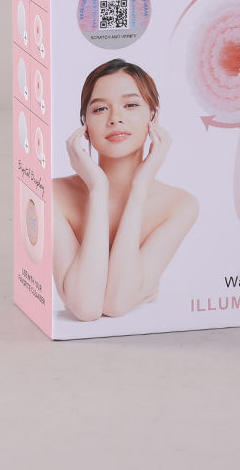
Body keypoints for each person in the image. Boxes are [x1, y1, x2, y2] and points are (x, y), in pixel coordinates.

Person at [53, 59, 198, 321]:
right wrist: (98, 190)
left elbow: (117, 303)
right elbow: (85, 307)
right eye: (100, 109)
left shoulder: (180, 205)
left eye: (130, 105)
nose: (115, 118)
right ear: (84, 125)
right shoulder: (54, 194)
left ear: (153, 116)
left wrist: (139, 190)